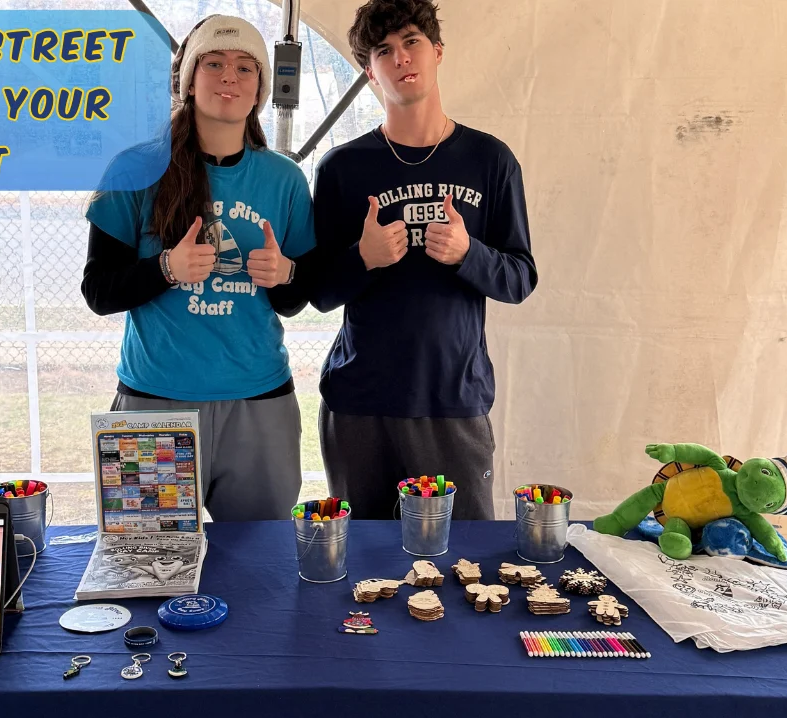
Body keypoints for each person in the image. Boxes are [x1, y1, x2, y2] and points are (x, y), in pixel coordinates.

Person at [309, 0, 537, 520]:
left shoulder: (490, 160)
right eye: (383, 51)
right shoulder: (343, 167)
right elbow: (318, 293)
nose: (400, 58)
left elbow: (521, 278)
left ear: (437, 51)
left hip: (452, 401)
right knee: (363, 559)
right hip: (360, 403)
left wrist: (468, 253)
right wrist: (362, 258)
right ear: (370, 72)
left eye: (411, 42)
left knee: (463, 558)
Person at [82, 14, 316, 520]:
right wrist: (166, 268)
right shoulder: (134, 170)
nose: (229, 76)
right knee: (147, 556)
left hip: (259, 405)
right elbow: (98, 292)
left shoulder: (286, 180)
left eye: (245, 67)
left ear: (260, 90)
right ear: (188, 80)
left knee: (260, 558)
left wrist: (285, 275)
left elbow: (295, 300)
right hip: (154, 404)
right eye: (214, 63)